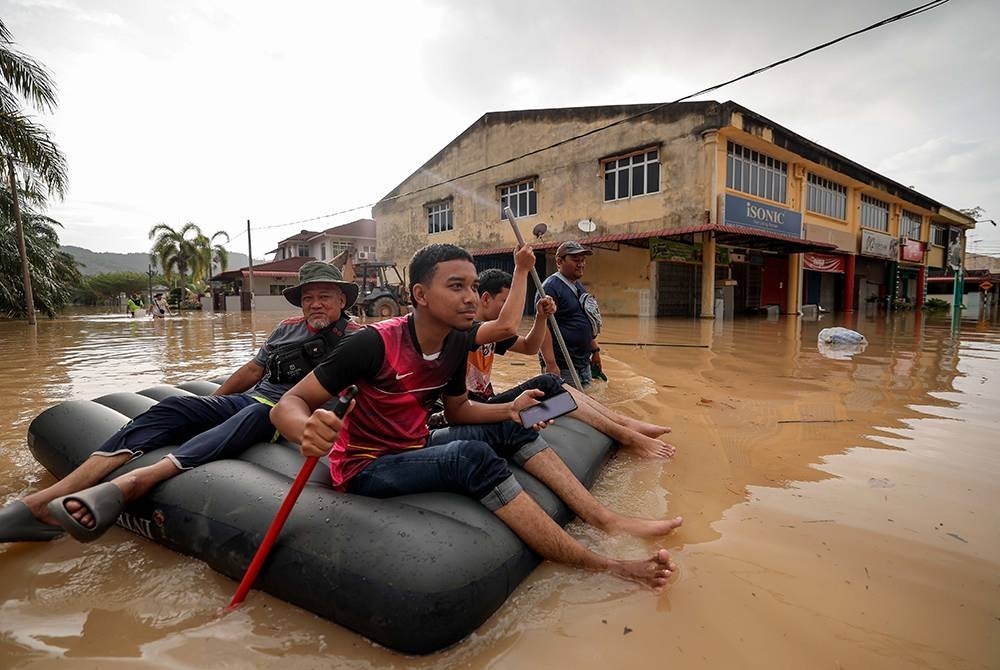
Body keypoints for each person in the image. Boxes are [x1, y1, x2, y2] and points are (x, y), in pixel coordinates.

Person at [270, 243, 682, 591]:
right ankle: (600, 565)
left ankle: (604, 514)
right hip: (366, 466)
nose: (471, 296)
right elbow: (289, 403)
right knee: (470, 456)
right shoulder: (371, 345)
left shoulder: (457, 340)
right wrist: (305, 428)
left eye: (472, 286)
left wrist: (511, 410)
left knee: (547, 395)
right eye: (457, 287)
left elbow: (458, 409)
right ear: (421, 295)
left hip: (415, 443)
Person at [0, 261, 360, 543]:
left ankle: (133, 484)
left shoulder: (359, 339)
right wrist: (208, 407)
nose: (316, 304)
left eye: (325, 296)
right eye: (309, 297)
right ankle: (48, 500)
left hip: (287, 418)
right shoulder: (286, 329)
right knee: (174, 408)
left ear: (342, 300)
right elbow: (252, 370)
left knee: (255, 413)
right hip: (252, 400)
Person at [467, 261, 674, 459]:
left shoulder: (492, 333)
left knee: (558, 396)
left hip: (492, 407)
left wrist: (541, 318)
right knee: (548, 383)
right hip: (482, 415)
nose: (510, 309)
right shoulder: (469, 330)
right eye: (505, 302)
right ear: (485, 299)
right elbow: (508, 325)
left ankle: (622, 423)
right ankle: (626, 435)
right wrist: (521, 268)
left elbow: (530, 347)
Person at [539, 241, 603, 385]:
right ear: (559, 262)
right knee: (568, 405)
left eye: (582, 260)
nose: (581, 264)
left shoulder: (578, 285)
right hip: (563, 366)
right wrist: (550, 364)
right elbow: (543, 328)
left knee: (586, 402)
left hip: (583, 362)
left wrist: (595, 351)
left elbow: (586, 319)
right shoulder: (549, 288)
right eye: (575, 260)